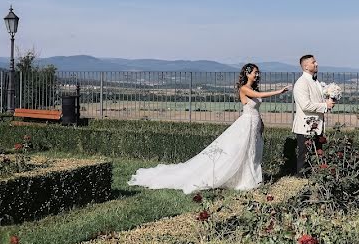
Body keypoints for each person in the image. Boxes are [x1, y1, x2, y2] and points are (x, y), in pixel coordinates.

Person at [129, 63, 289, 192]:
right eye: (255, 72)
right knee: (241, 151)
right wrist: (279, 91)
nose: (257, 75)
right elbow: (259, 97)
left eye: (258, 72)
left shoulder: (253, 89)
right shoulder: (244, 89)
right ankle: (244, 180)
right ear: (247, 74)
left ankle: (249, 178)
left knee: (252, 151)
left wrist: (261, 123)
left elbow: (256, 107)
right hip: (246, 123)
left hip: (254, 123)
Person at [292, 55, 335, 174]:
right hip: (306, 126)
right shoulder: (301, 83)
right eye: (313, 62)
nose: (316, 64)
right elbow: (306, 105)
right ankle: (301, 181)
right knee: (304, 158)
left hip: (316, 125)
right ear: (305, 66)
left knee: (316, 155)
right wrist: (325, 106)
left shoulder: (315, 81)